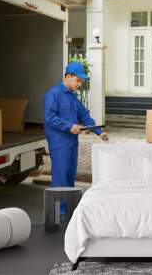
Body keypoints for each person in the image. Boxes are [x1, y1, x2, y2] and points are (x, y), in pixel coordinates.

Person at [43, 62, 108, 219]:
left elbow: (84, 116)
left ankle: (69, 210)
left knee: (70, 177)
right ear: (68, 76)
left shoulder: (73, 97)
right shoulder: (54, 94)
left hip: (72, 143)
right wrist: (69, 126)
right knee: (60, 178)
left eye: (81, 81)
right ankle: (58, 214)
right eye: (78, 80)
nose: (79, 84)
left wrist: (99, 132)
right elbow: (49, 117)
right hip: (59, 143)